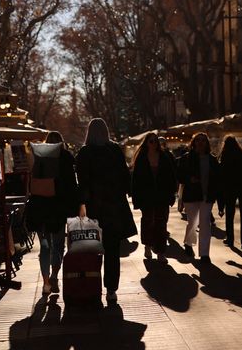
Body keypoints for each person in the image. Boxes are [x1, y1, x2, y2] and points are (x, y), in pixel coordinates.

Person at [76, 118, 137, 304]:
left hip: (94, 208)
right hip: (114, 207)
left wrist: (82, 204)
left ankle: (93, 285)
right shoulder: (114, 150)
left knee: (92, 249)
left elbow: (82, 181)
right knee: (112, 250)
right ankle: (111, 289)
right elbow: (125, 177)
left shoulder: (85, 152)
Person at [25, 131, 78, 294]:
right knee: (58, 245)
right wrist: (75, 207)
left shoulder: (39, 158)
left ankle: (46, 283)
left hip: (40, 207)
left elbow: (31, 183)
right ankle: (54, 275)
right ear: (61, 143)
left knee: (45, 247)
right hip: (59, 208)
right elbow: (71, 184)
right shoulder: (67, 158)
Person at [177, 132, 223, 263]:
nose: (200, 143)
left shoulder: (212, 159)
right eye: (198, 140)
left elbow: (218, 179)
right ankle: (188, 243)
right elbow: (179, 176)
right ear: (193, 142)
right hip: (191, 195)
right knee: (192, 222)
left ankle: (204, 254)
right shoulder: (186, 158)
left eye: (203, 140)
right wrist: (189, 179)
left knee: (205, 224)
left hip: (207, 196)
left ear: (207, 143)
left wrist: (218, 198)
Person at [131, 132, 178, 263]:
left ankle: (160, 252)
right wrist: (136, 199)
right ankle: (147, 245)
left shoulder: (164, 157)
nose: (153, 143)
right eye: (151, 141)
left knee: (161, 224)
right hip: (147, 197)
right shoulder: (141, 158)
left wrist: (172, 194)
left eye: (155, 141)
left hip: (162, 197)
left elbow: (171, 177)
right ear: (146, 143)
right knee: (148, 222)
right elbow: (136, 180)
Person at [219, 136, 242, 249]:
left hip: (230, 187)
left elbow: (222, 173)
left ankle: (230, 238)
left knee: (230, 214)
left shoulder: (225, 155)